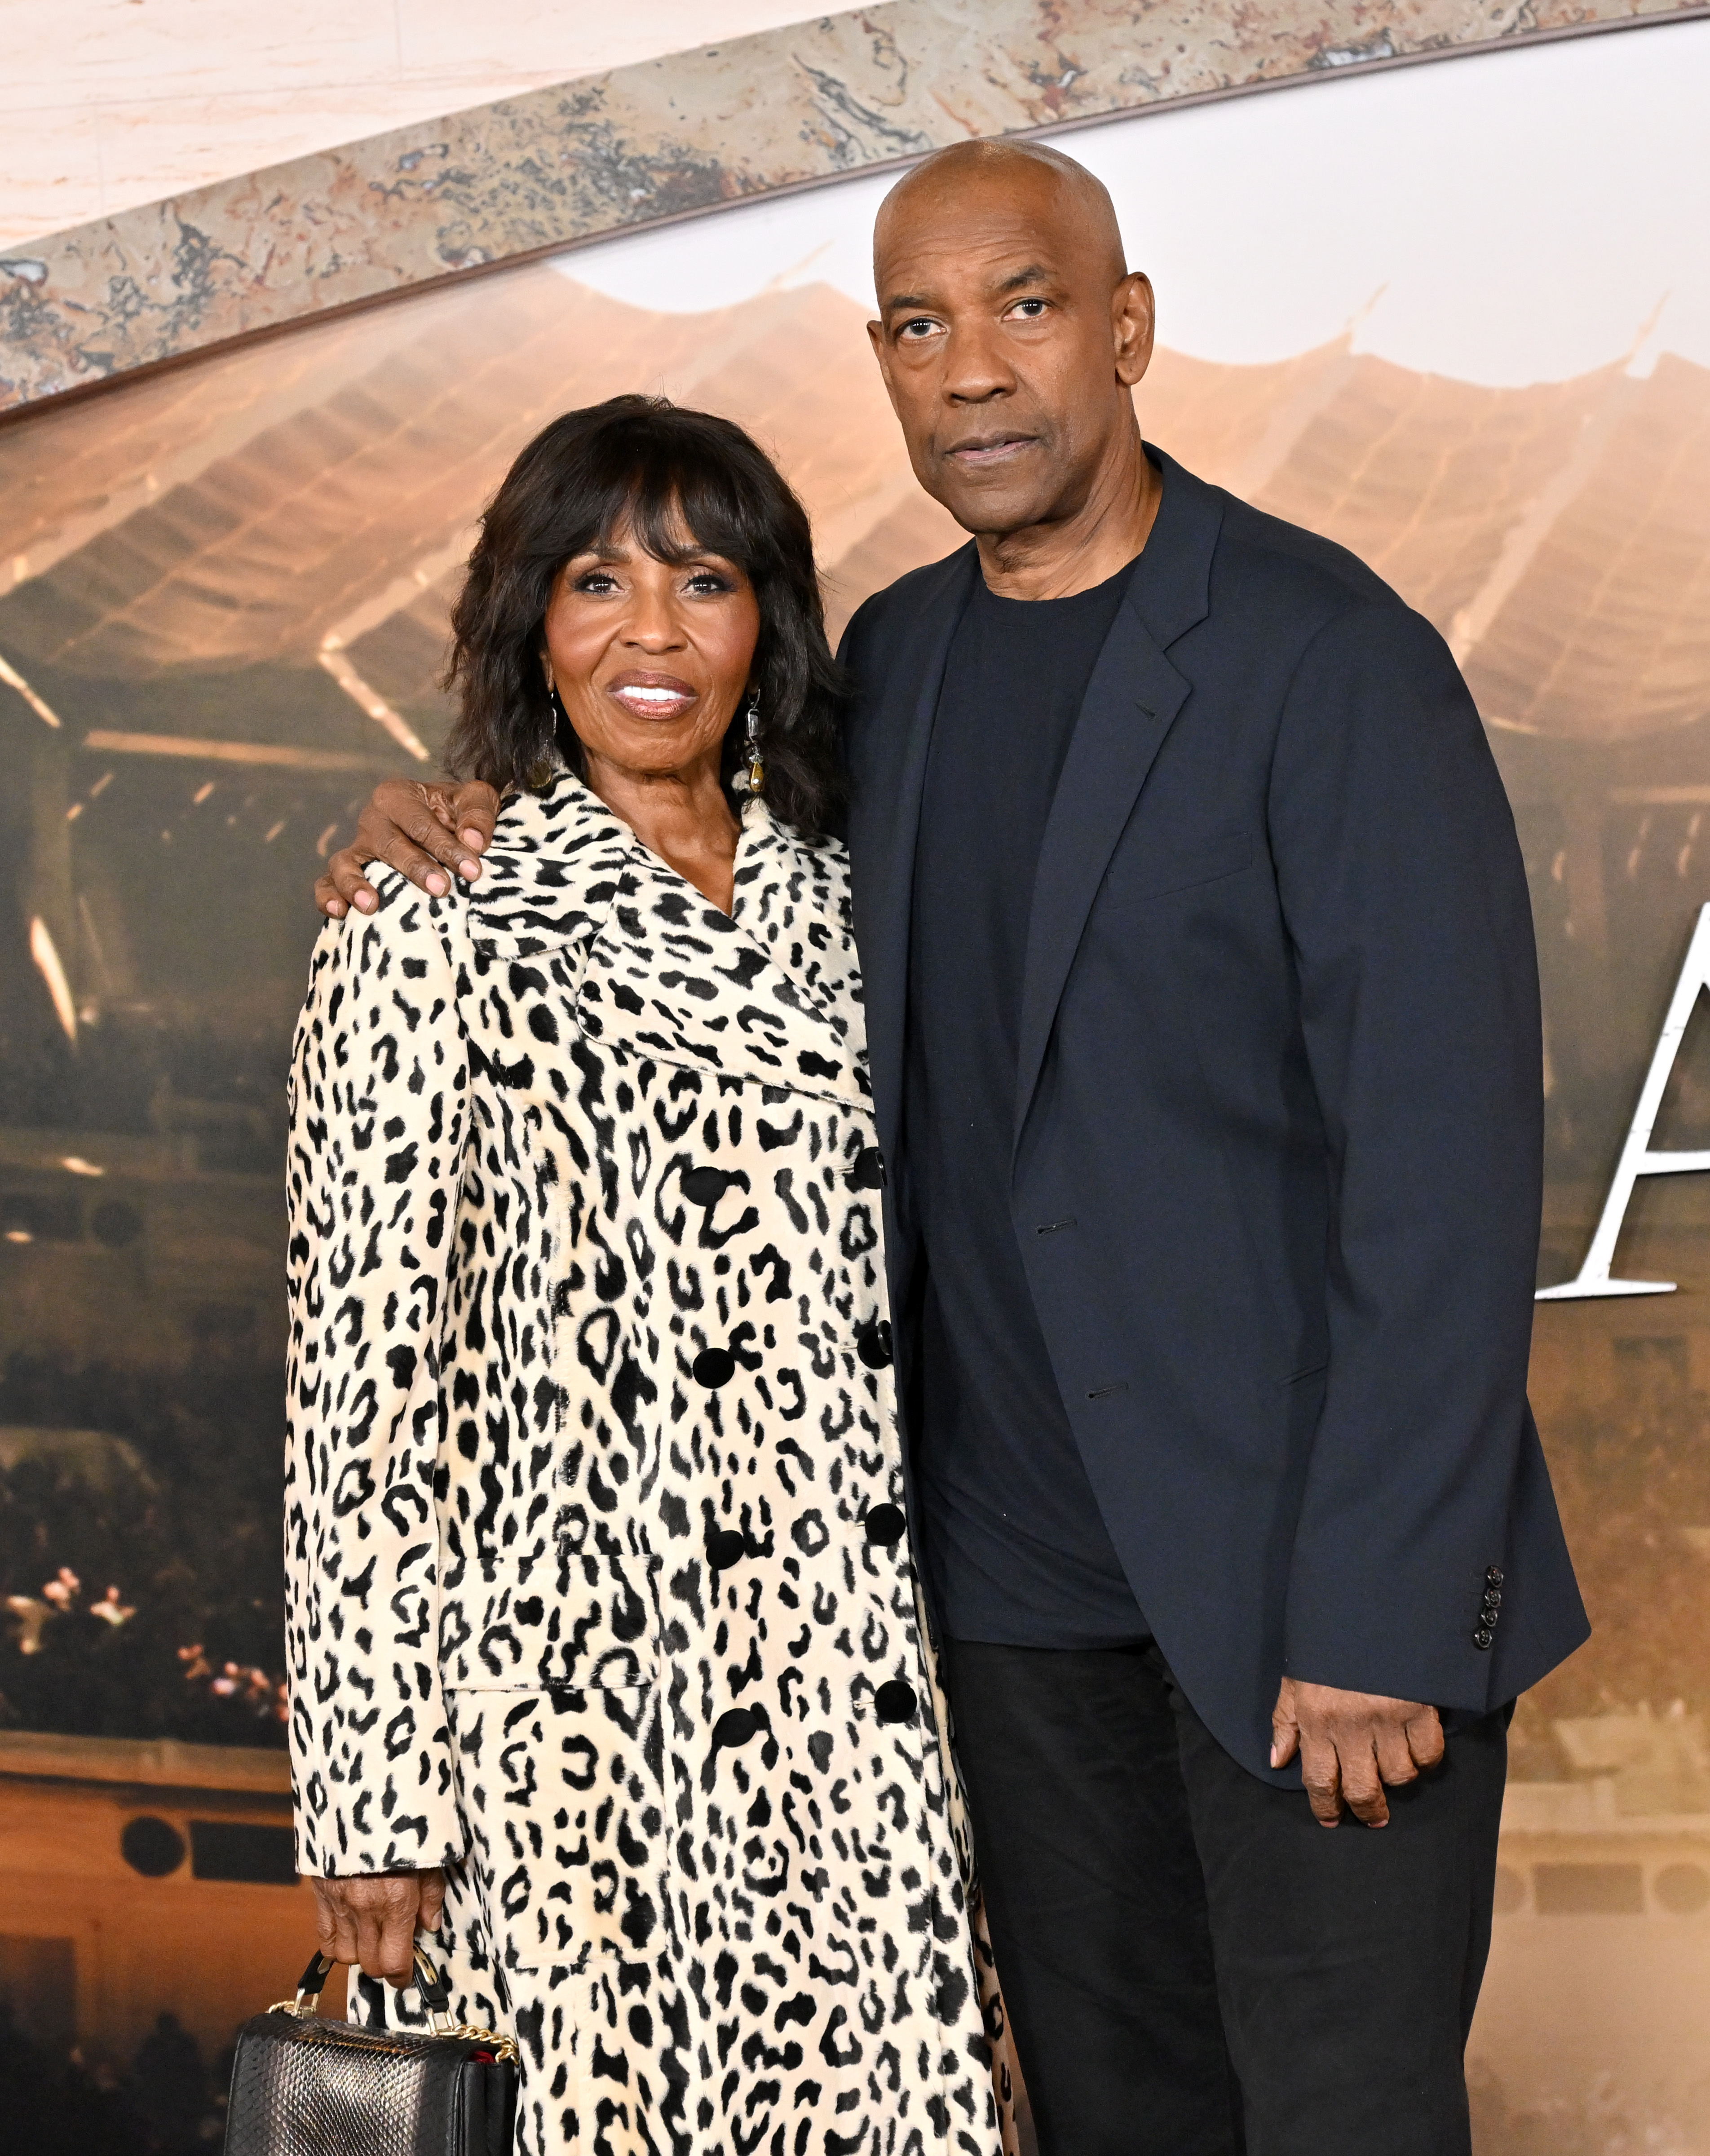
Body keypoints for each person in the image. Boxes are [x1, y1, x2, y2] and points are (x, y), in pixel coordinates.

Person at [318, 144, 1590, 2154]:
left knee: (1345, 2120)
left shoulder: (1320, 656)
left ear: (1129, 330)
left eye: (1020, 308)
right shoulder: (884, 675)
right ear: (884, 368)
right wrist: (428, 815)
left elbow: (1436, 1174)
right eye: (918, 325)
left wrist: (1375, 1611)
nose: (970, 370)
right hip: (1001, 1617)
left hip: (1297, 1615)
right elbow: (654, 811)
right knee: (1112, 2118)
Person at [287, 397, 1005, 2156]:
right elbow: (354, 1392)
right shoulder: (431, 919)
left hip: (860, 1714)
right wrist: (366, 1790)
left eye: (703, 578)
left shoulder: (860, 902)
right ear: (531, 615)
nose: (654, 635)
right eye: (596, 581)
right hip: (559, 1737)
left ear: (769, 617)